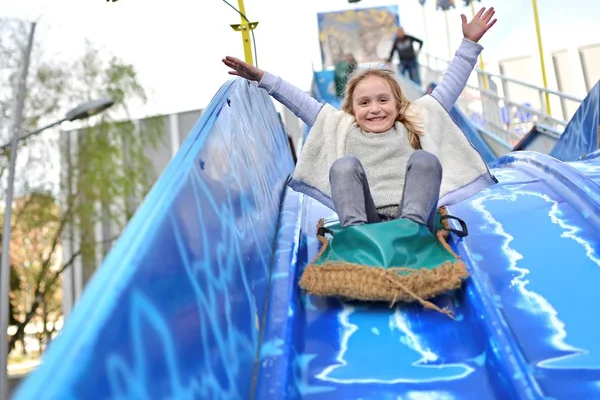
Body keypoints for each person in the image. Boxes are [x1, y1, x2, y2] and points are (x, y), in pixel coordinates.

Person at [222, 7, 498, 233]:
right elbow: (296, 100)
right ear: (352, 108)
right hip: (366, 220)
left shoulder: (416, 119)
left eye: (383, 100)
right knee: (344, 166)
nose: (375, 109)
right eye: (364, 103)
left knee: (425, 161)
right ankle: (358, 239)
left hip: (413, 218)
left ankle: (410, 236)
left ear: (397, 103)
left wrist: (469, 43)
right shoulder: (339, 125)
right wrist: (261, 78)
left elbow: (450, 85)